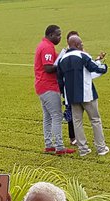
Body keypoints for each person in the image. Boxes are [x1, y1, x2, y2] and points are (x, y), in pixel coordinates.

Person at [57, 35, 109, 156]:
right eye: (81, 44)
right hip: (87, 94)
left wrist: (63, 94)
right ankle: (101, 148)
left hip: (71, 96)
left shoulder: (62, 59)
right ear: (76, 45)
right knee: (95, 120)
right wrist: (105, 67)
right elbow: (95, 67)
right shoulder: (82, 55)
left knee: (77, 122)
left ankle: (83, 149)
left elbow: (60, 80)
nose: (82, 46)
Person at [34, 25, 76, 155]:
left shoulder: (45, 45)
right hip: (48, 86)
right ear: (51, 35)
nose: (60, 37)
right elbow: (48, 68)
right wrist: (60, 65)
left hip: (42, 86)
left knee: (47, 117)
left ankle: (49, 145)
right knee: (56, 116)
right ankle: (59, 147)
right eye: (58, 35)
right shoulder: (47, 47)